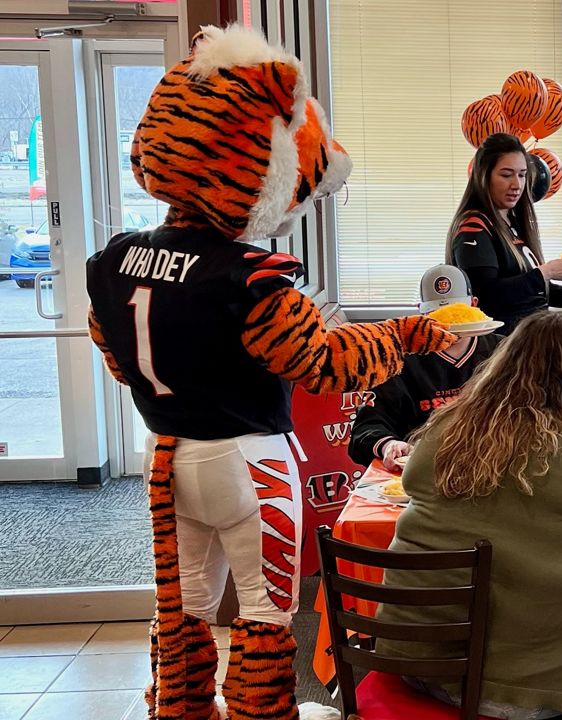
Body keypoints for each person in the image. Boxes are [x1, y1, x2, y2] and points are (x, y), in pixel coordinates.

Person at [84, 26, 456, 720]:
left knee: (184, 608)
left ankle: (180, 712)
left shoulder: (115, 259)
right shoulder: (249, 275)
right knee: (263, 612)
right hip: (247, 457)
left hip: (163, 452)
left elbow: (115, 355)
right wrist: (407, 334)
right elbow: (320, 363)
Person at [377, 311, 562, 720]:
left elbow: (414, 481)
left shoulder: (448, 425)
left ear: (508, 359)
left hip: (421, 661)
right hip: (545, 683)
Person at [446, 132, 562, 332]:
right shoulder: (474, 226)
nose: (517, 185)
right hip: (504, 349)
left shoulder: (510, 223)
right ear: (483, 176)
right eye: (506, 175)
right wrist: (544, 273)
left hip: (530, 341)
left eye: (522, 175)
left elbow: (533, 294)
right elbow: (487, 297)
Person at [348, 265, 501, 467]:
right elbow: (365, 430)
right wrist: (388, 444)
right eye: (437, 315)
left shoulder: (504, 351)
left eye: (457, 312)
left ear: (474, 305)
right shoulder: (397, 360)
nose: (449, 325)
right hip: (423, 468)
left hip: (494, 462)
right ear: (420, 313)